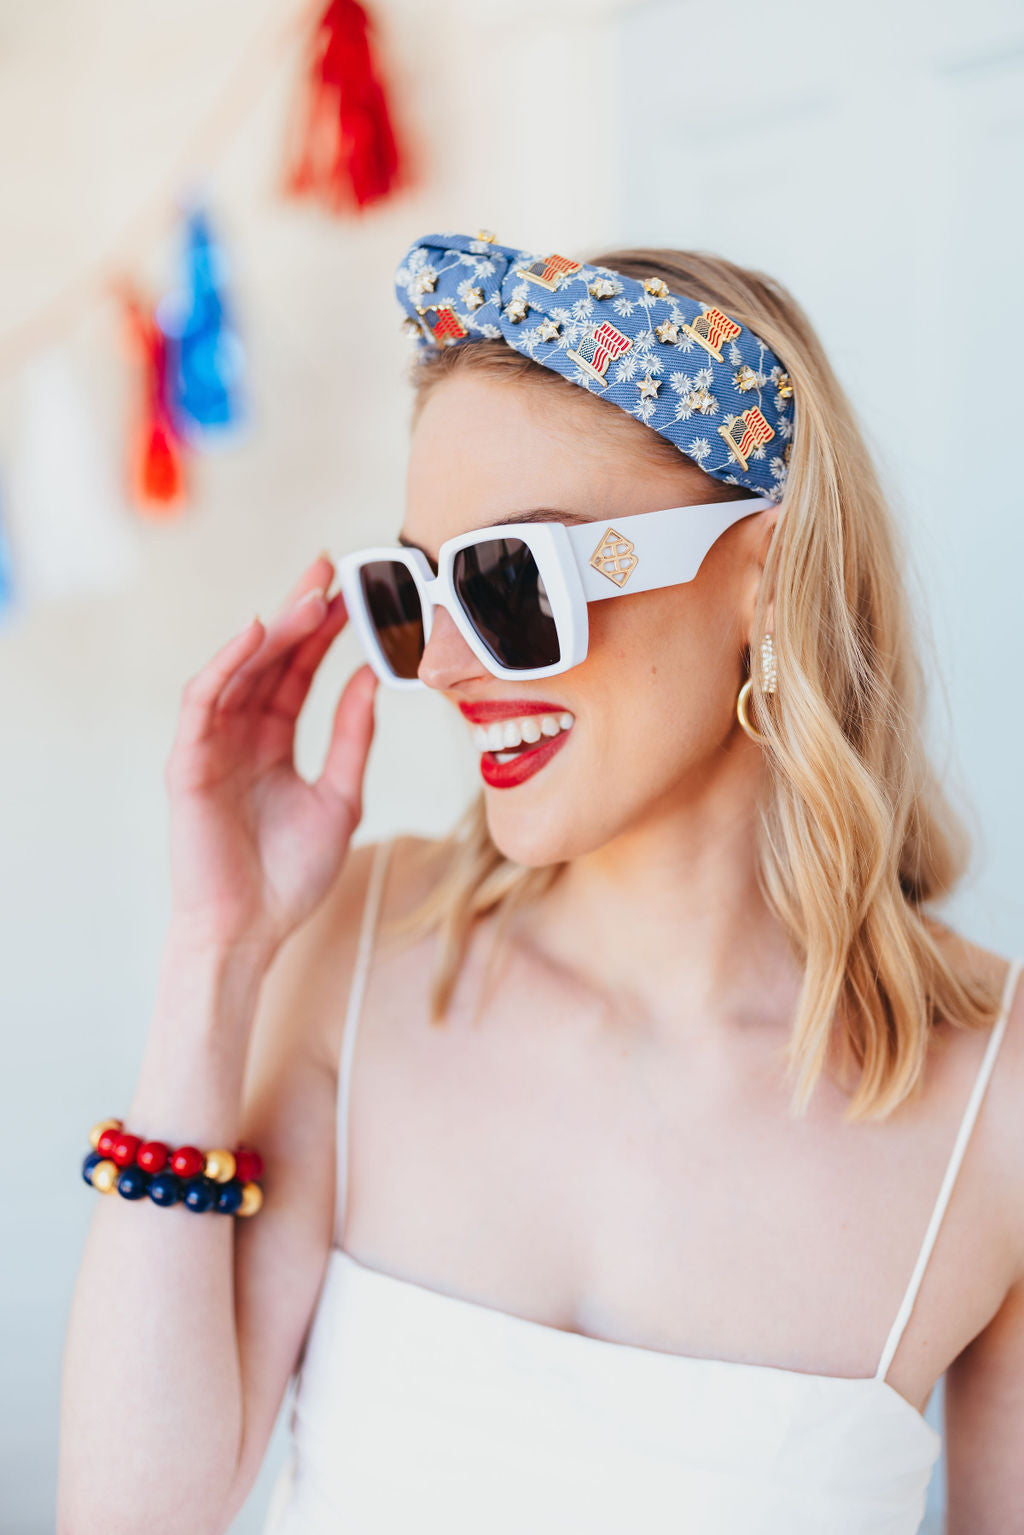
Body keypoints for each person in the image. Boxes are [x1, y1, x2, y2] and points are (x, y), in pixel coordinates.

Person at [58, 232, 1024, 1535]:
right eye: (414, 593)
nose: (448, 668)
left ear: (761, 574)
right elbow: (133, 1519)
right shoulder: (362, 946)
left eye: (515, 581)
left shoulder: (997, 1108)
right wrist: (214, 956)